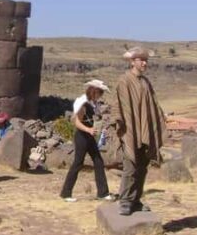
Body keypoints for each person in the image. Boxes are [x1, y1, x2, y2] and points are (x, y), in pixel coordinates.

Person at [115, 47, 167, 216]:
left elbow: (153, 106)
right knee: (130, 166)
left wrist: (158, 121)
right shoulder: (124, 81)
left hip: (144, 131)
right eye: (141, 60)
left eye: (146, 60)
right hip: (131, 130)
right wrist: (123, 125)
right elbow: (122, 106)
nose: (144, 63)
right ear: (132, 62)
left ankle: (136, 200)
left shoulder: (145, 82)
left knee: (142, 168)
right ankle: (125, 201)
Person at [60, 80, 115, 203]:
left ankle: (103, 192)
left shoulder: (92, 104)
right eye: (100, 92)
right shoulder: (84, 104)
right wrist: (88, 129)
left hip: (89, 136)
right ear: (94, 91)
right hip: (82, 137)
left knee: (98, 162)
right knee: (78, 163)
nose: (101, 95)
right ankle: (66, 192)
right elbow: (76, 121)